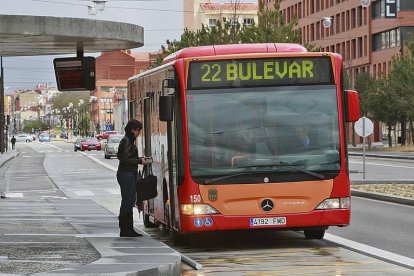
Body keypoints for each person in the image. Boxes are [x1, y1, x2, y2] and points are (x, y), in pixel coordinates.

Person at [116, 119, 150, 237]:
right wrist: (139, 160)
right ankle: (126, 229)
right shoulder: (126, 141)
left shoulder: (128, 140)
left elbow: (127, 157)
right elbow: (124, 159)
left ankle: (127, 228)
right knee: (128, 201)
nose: (139, 133)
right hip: (127, 174)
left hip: (128, 173)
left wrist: (139, 158)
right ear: (132, 130)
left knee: (129, 201)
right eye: (138, 130)